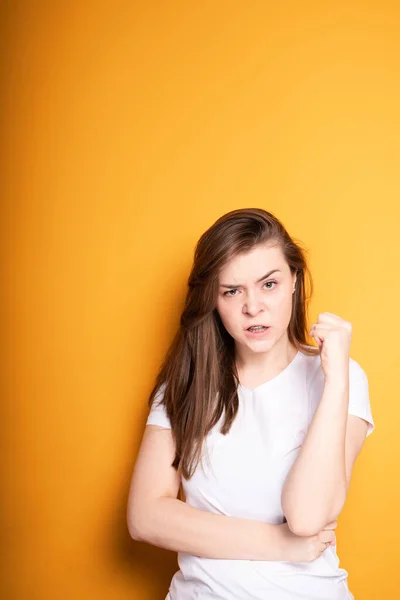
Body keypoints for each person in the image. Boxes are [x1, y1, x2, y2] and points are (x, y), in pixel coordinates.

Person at [127, 208, 375, 600]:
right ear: (213, 299)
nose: (253, 307)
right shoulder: (184, 386)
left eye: (269, 284)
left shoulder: (340, 379)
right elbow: (145, 516)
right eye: (232, 291)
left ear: (294, 280)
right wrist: (280, 544)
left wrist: (336, 379)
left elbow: (308, 516)